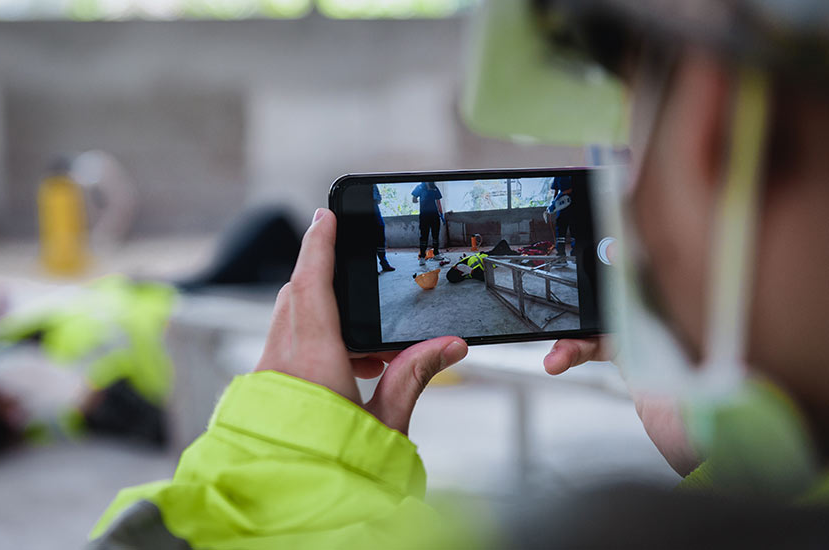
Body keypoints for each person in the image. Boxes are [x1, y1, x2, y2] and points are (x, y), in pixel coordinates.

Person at [88, 0, 829, 547]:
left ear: (712, 123)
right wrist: (734, 475)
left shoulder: (593, 528)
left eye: (632, 117)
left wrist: (287, 451)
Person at [0, 276, 175, 459]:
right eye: (6, 408)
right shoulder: (58, 409)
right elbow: (171, 430)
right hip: (183, 328)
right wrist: (85, 396)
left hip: (139, 293)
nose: (11, 398)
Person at [411, 182, 445, 266]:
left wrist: (441, 214)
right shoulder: (419, 187)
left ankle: (436, 254)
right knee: (424, 236)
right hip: (424, 215)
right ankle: (422, 257)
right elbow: (413, 199)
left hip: (435, 215)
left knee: (435, 235)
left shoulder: (434, 187)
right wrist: (421, 199)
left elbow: (438, 202)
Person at [373, 185, 395, 274]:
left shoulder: (373, 185)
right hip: (365, 211)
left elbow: (378, 199)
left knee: (380, 237)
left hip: (375, 211)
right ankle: (372, 266)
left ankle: (384, 263)